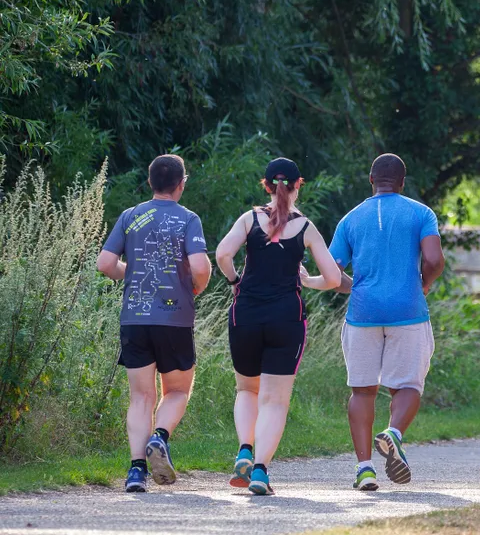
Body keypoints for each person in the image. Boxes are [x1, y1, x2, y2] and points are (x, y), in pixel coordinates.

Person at [215, 158, 341, 495]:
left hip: (245, 315)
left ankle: (244, 450)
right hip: (287, 318)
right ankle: (259, 472)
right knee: (274, 401)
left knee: (247, 390)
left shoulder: (249, 219)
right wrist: (308, 281)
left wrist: (235, 281)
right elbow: (332, 278)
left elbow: (223, 254)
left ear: (267, 185)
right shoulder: (306, 227)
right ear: (299, 185)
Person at [326, 153, 445, 491]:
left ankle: (365, 469)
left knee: (362, 390)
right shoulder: (421, 213)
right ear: (403, 182)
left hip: (362, 314)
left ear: (371, 180)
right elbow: (434, 259)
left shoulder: (350, 219)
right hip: (408, 311)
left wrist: (355, 287)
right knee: (407, 385)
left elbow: (332, 273)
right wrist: (423, 283)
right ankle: (393, 433)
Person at [97, 154, 212, 493]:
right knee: (177, 391)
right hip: (174, 319)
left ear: (150, 182)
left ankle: (136, 472)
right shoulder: (188, 219)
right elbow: (200, 267)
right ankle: (159, 437)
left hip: (134, 319)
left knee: (141, 397)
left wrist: (130, 273)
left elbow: (105, 264)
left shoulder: (130, 216)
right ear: (181, 183)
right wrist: (194, 288)